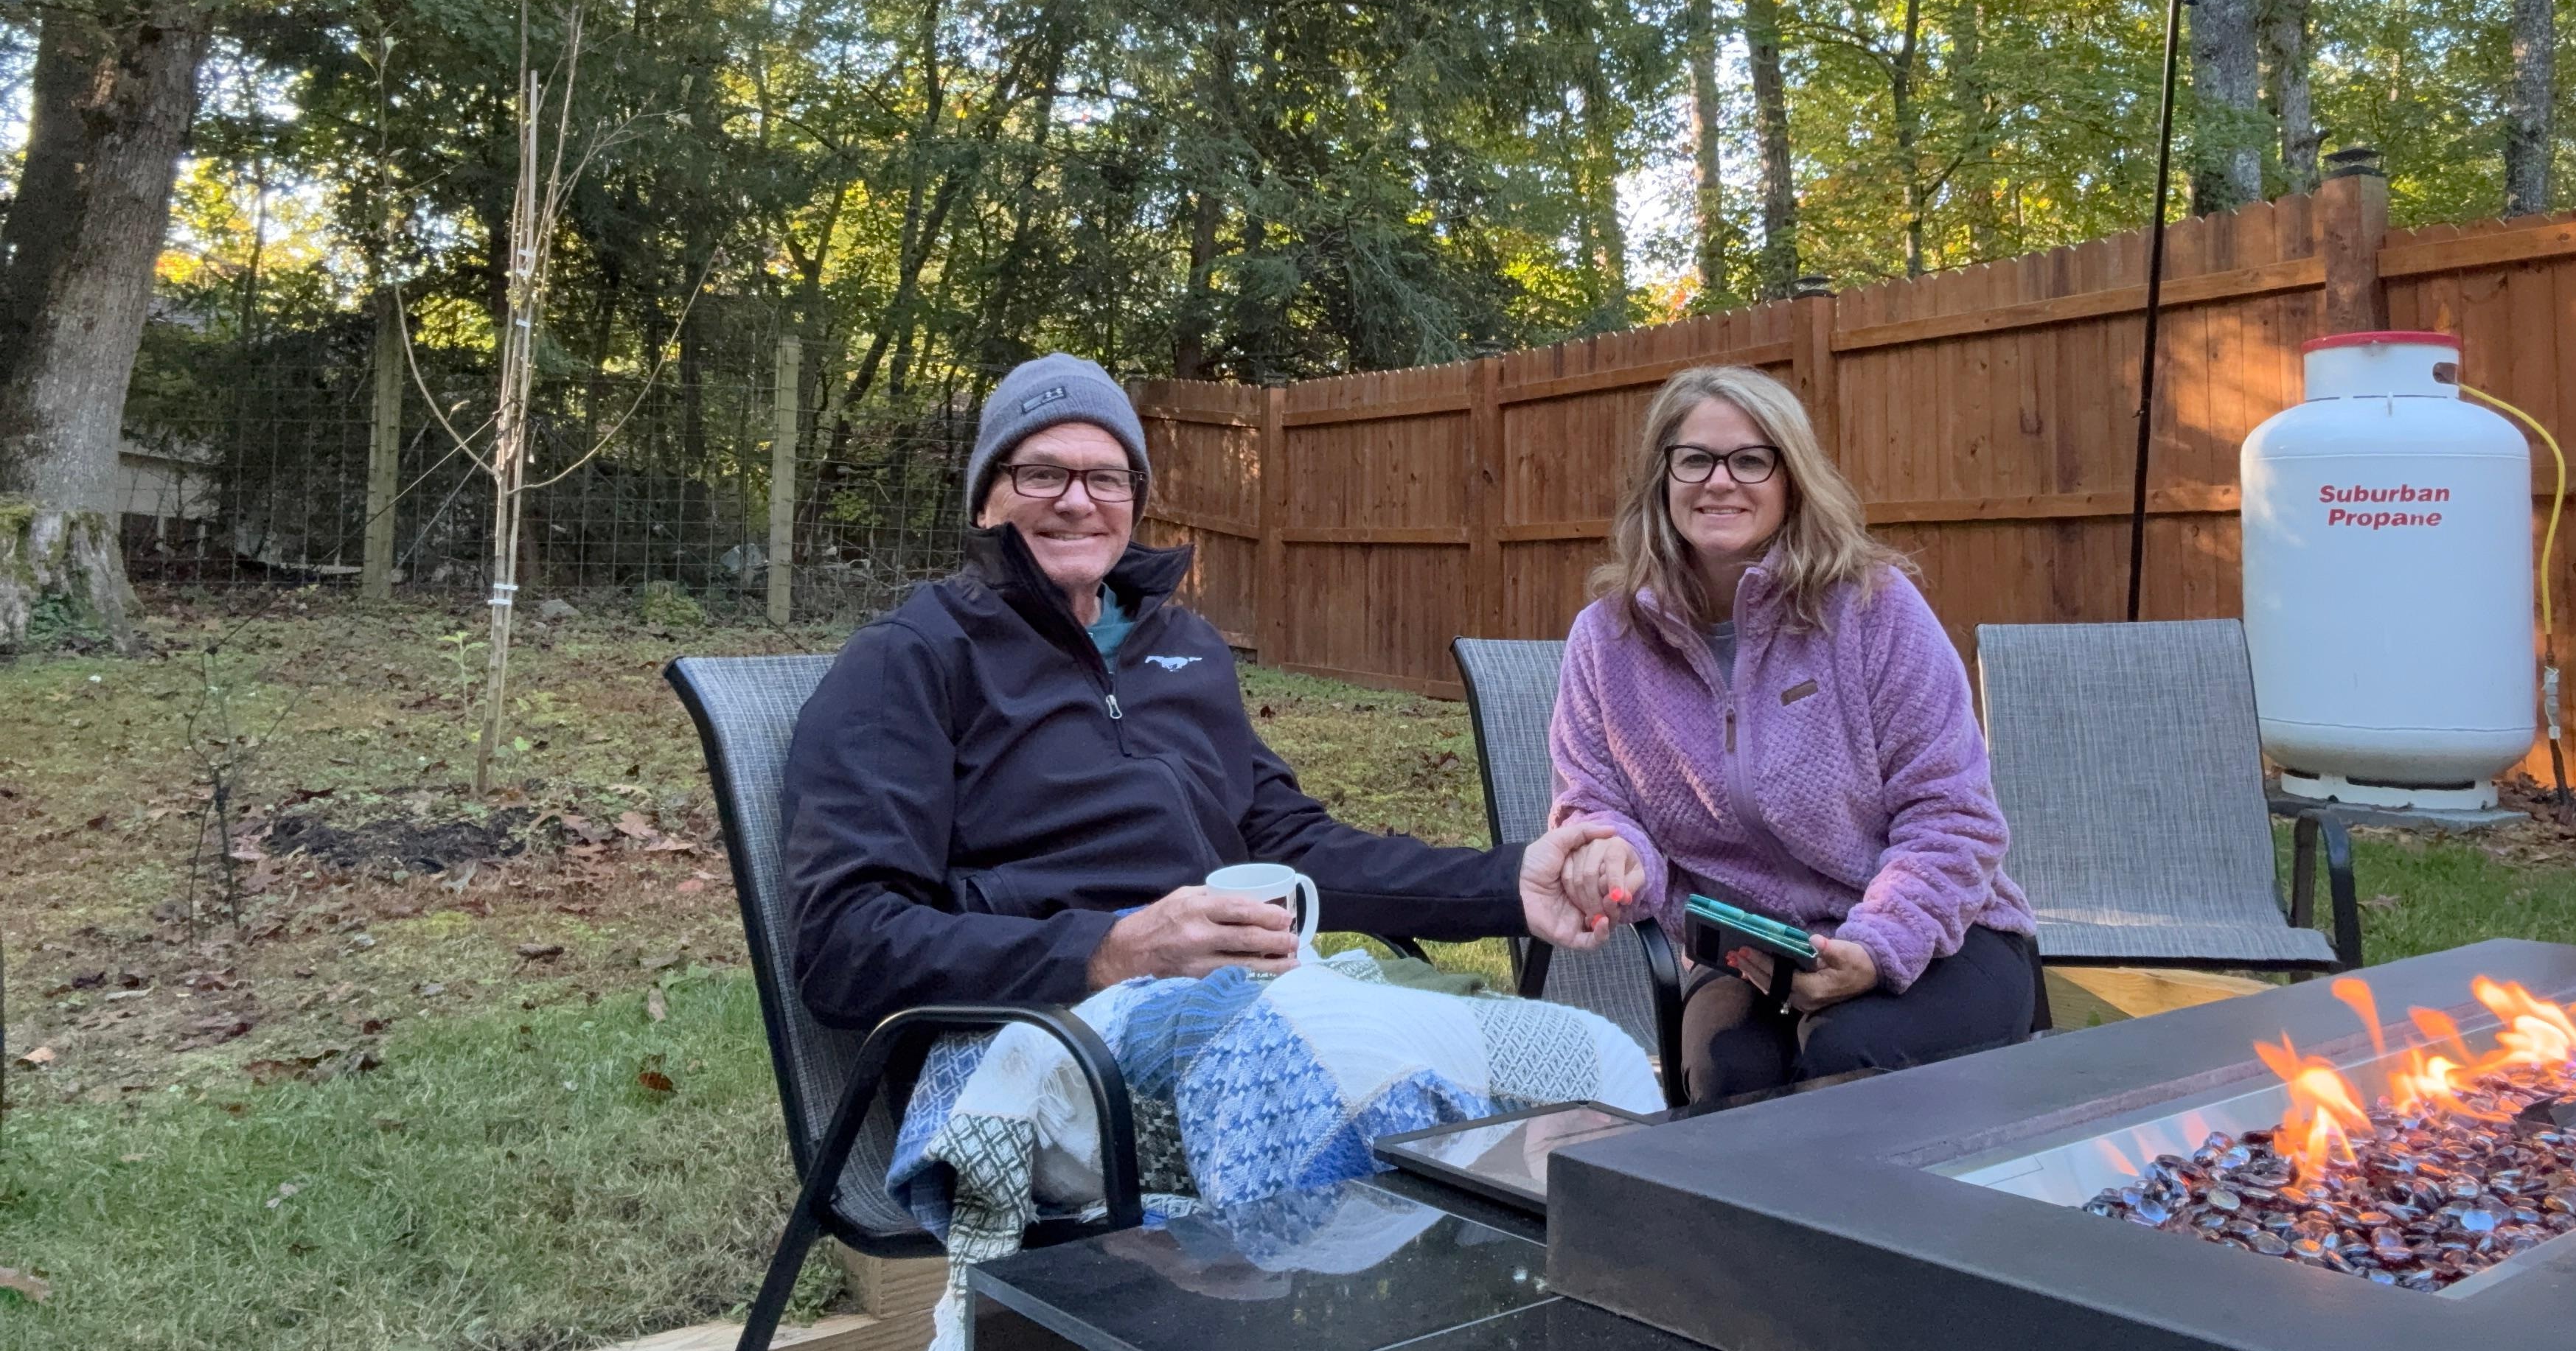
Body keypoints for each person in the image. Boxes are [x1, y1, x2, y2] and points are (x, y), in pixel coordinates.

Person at [784, 353, 1617, 1030]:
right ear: (985, 500)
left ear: (1135, 503)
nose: (1078, 502)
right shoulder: (912, 659)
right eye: (1041, 473)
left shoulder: (1183, 647)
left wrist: (1510, 883)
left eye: (1107, 478)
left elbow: (1293, 848)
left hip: (1249, 1005)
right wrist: (1108, 950)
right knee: (1356, 1093)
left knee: (1585, 1062)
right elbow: (844, 944)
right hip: (1035, 1035)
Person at [1547, 364, 2037, 1098]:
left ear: (1791, 480)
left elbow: (1952, 817)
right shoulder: (1606, 641)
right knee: (1731, 1073)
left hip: (1939, 936)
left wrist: (1872, 951)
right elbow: (1597, 804)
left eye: (1751, 459)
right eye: (1695, 459)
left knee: (1848, 1058)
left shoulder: (1873, 610)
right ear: (1663, 477)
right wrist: (1611, 854)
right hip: (1752, 957)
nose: (1720, 481)